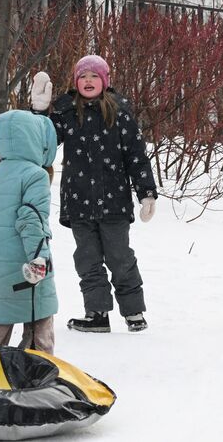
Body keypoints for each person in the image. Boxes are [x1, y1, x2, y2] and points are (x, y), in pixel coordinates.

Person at [30, 55, 158, 333]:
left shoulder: (120, 114)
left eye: (94, 76)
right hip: (79, 202)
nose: (88, 81)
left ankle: (134, 312)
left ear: (105, 81)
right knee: (87, 260)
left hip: (114, 202)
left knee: (120, 257)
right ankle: (97, 314)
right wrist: (40, 114)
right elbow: (41, 145)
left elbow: (136, 156)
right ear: (76, 83)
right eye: (83, 76)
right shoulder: (65, 114)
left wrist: (146, 192)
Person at [0, 109, 60, 353]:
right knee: (40, 328)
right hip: (26, 268)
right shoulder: (35, 175)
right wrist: (40, 260)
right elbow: (31, 221)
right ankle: (40, 380)